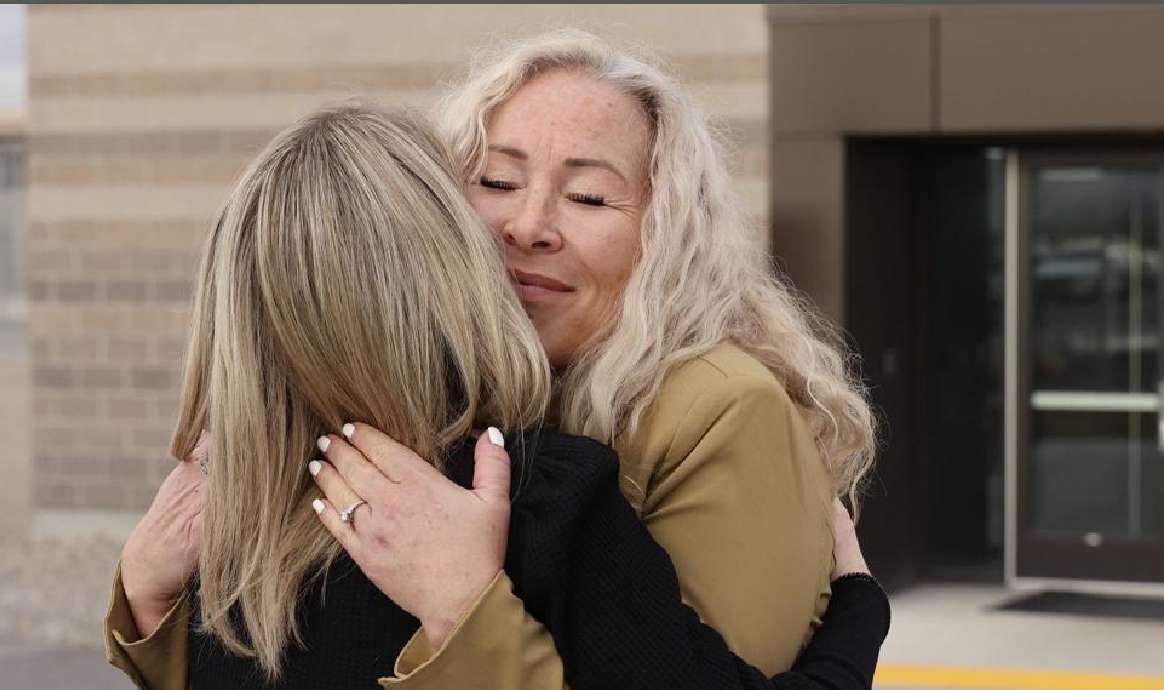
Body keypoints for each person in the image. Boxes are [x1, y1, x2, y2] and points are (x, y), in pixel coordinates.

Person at [107, 29, 881, 689]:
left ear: (667, 235)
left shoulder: (711, 412)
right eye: (497, 181)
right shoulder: (367, 442)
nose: (528, 225)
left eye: (588, 198)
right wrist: (147, 601)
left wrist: (466, 610)